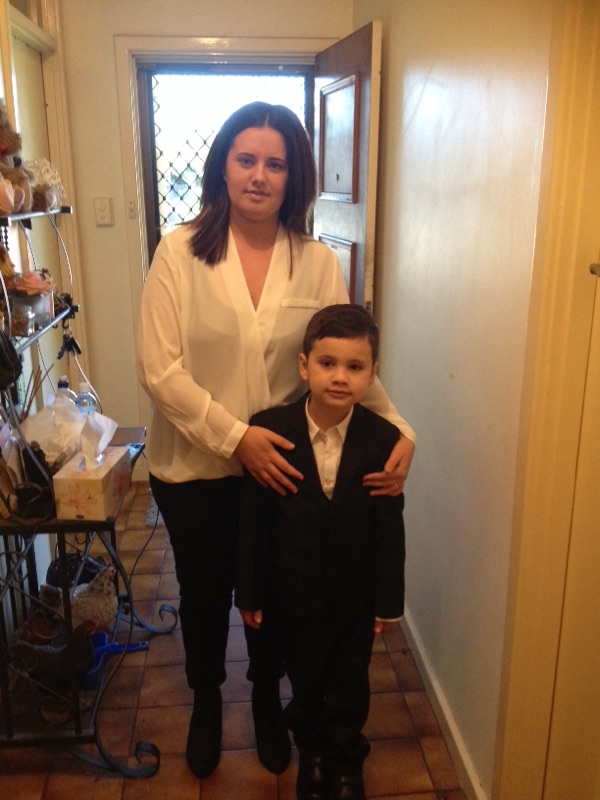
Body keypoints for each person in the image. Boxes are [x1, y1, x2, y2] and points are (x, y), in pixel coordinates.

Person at [135, 101, 415, 781]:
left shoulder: (316, 261)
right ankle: (207, 700)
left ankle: (266, 697)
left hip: (286, 472)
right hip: (195, 470)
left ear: (295, 177)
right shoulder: (179, 252)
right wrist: (238, 439)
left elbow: (342, 360)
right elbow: (159, 370)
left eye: (276, 163)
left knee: (277, 597)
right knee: (205, 593)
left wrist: (402, 431)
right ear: (223, 167)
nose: (259, 175)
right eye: (246, 159)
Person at [235, 304, 405, 800]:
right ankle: (310, 754)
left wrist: (388, 601)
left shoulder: (384, 440)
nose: (340, 377)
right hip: (293, 593)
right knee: (306, 680)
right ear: (304, 365)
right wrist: (250, 592)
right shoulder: (270, 432)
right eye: (328, 363)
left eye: (355, 367)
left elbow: (389, 528)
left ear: (372, 374)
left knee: (350, 685)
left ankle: (345, 762)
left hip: (355, 597)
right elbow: (254, 523)